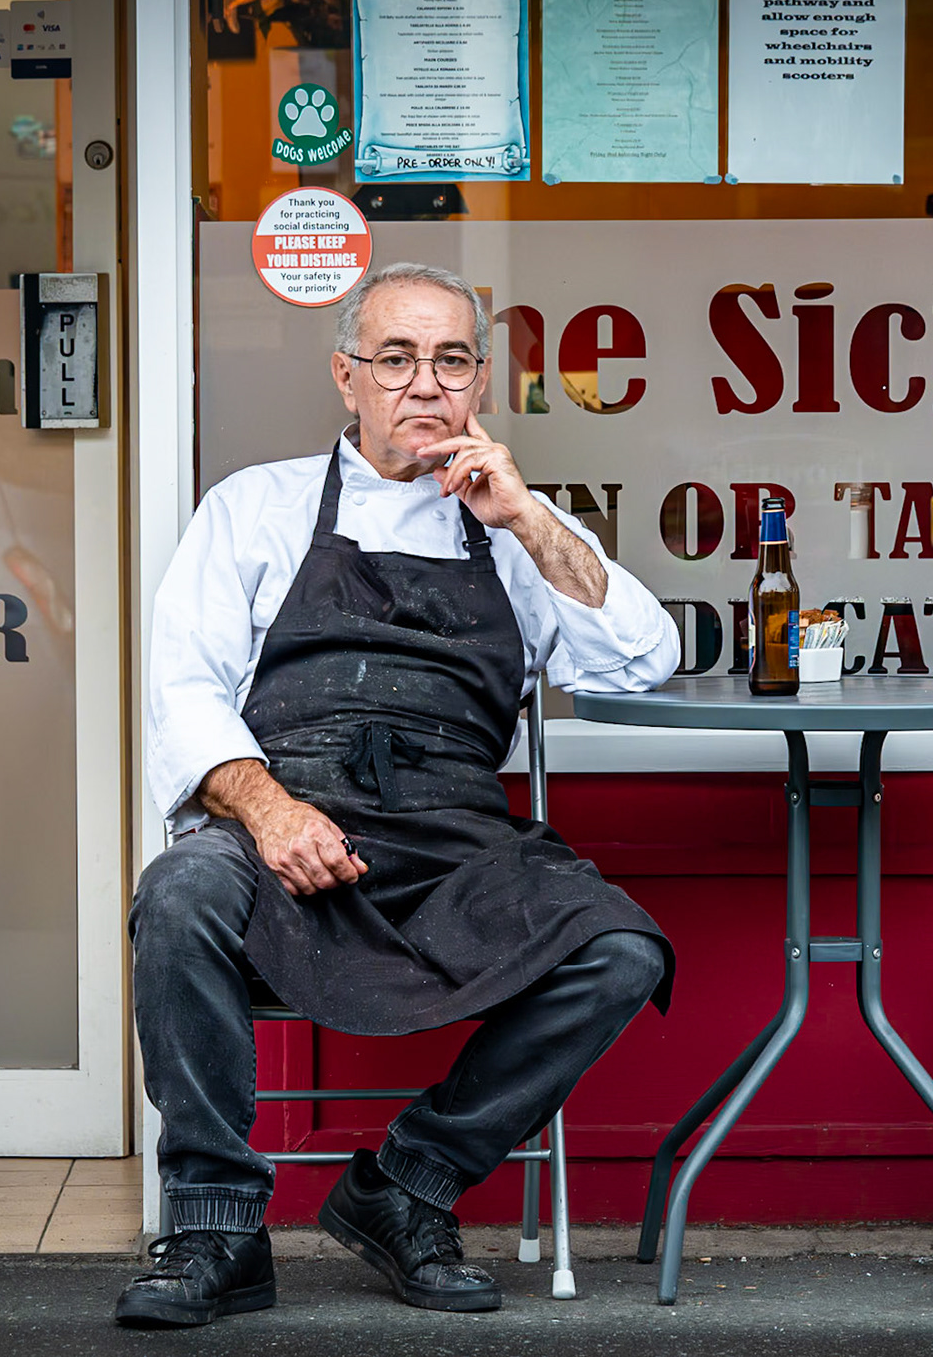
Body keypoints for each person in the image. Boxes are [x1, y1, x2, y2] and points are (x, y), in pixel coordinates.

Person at [117, 262, 680, 1327]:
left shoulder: (511, 527)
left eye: (452, 359)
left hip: (456, 847)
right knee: (180, 891)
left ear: (478, 381)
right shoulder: (255, 506)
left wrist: (529, 520)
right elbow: (184, 688)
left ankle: (406, 1184)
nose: (425, 383)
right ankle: (215, 1224)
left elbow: (640, 659)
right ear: (347, 375)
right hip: (292, 829)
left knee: (622, 950)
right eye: (396, 358)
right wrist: (271, 809)